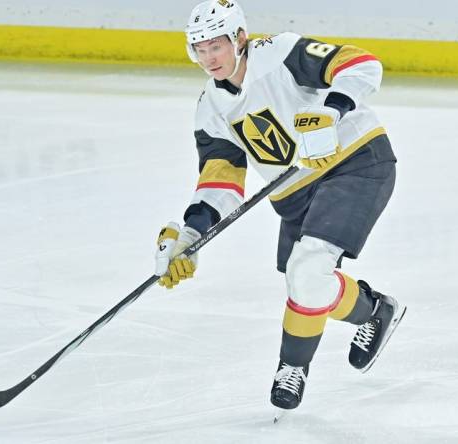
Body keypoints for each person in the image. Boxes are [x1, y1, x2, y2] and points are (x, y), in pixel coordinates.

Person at [153, 0, 406, 411]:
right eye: (199, 49)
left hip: (355, 162)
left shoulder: (281, 52)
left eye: (215, 46)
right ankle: (376, 310)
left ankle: (292, 368)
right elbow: (221, 179)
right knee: (305, 280)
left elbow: (362, 64)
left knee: (307, 267)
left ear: (239, 37)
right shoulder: (210, 109)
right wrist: (191, 236)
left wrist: (329, 110)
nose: (208, 58)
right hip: (294, 192)